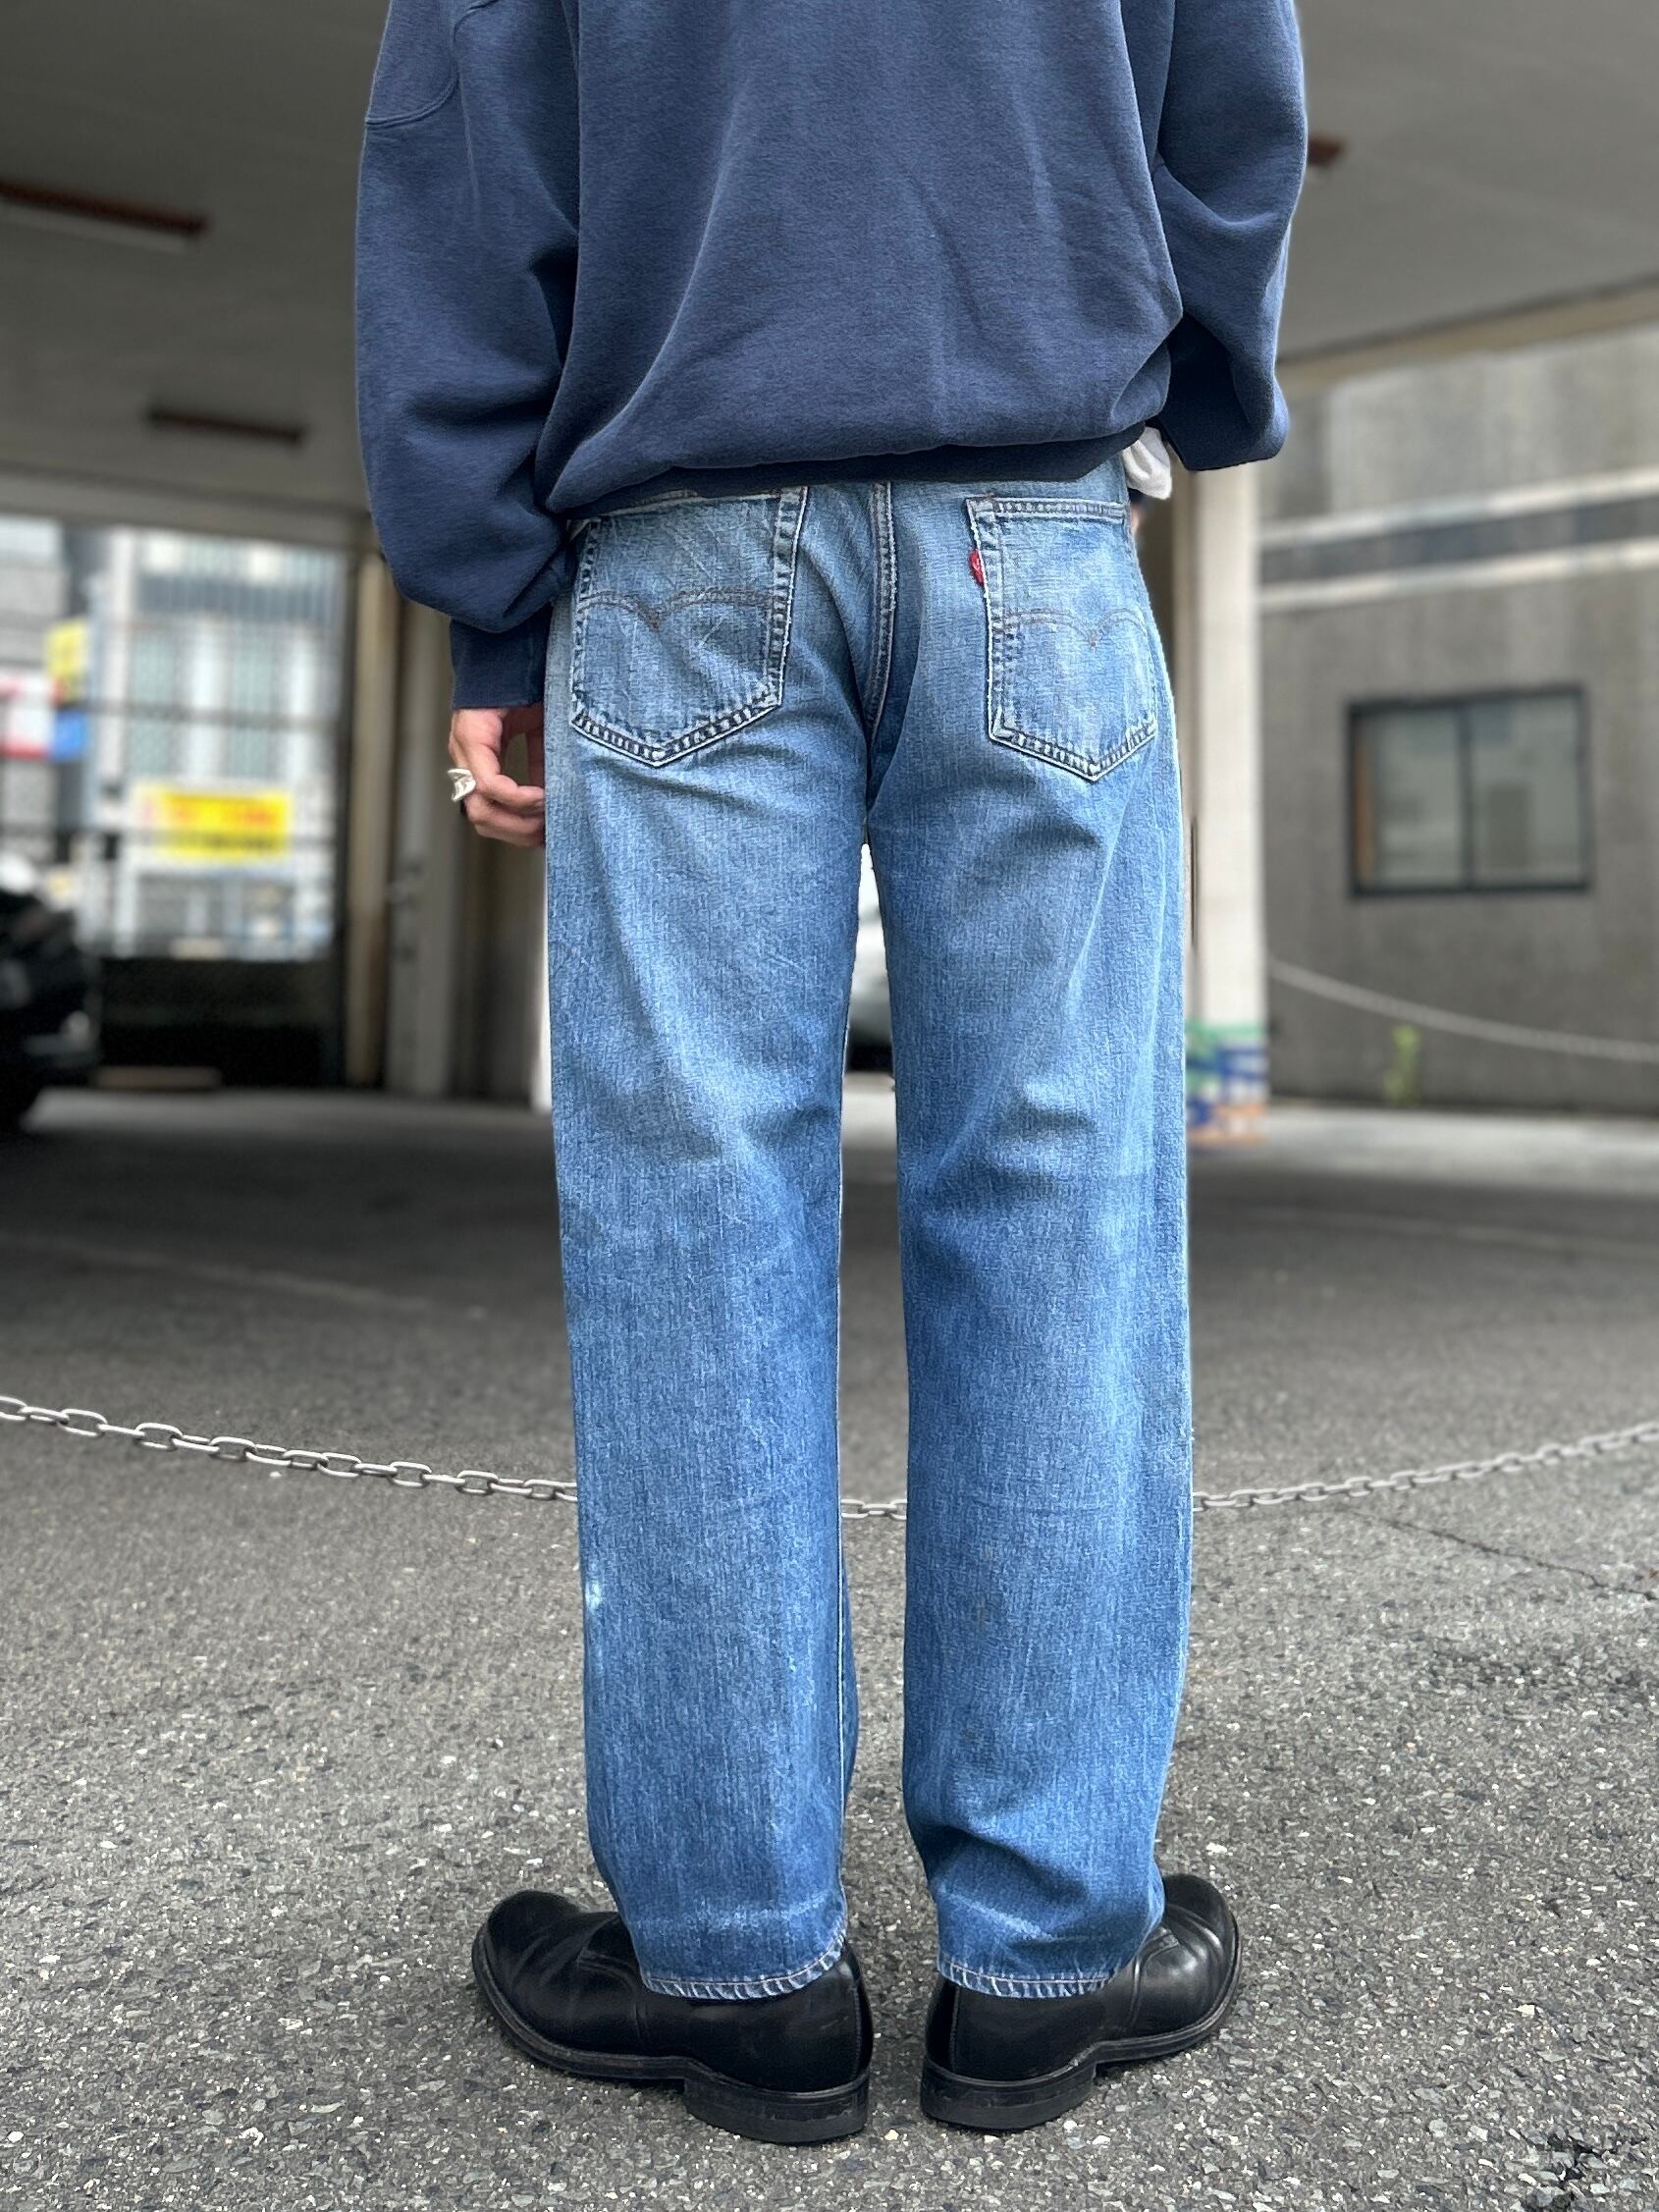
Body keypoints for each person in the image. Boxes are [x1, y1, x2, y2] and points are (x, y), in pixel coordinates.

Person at [356, 0, 1305, 2146]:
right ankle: (1049, 1954)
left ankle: (734, 1961)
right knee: (1060, 1214)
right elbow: (1232, 114)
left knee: (692, 1223)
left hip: (678, 554)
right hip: (1032, 535)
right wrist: (1173, 388)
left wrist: (491, 601)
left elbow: (460, 169)